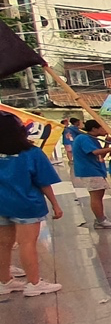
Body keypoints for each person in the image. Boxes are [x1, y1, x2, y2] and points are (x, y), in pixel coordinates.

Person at [0, 110, 63, 296]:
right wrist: (55, 205)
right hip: (26, 204)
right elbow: (44, 181)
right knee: (27, 243)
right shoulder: (32, 153)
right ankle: (34, 284)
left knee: (3, 244)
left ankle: (4, 281)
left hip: (2, 204)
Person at [71, 120, 111, 229]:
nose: (105, 130)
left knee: (99, 195)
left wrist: (107, 144)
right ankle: (101, 220)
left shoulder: (93, 139)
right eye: (102, 128)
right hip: (90, 171)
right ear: (94, 129)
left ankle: (101, 218)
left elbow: (101, 155)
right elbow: (94, 152)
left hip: (96, 169)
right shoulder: (83, 138)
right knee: (96, 196)